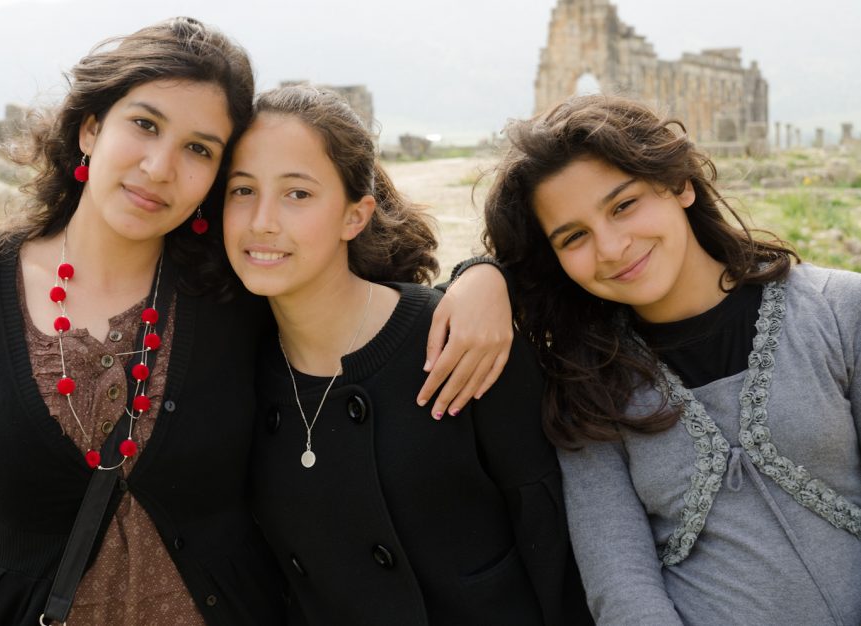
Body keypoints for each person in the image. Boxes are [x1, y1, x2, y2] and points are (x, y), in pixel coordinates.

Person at [0, 17, 511, 625]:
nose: (159, 167)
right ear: (91, 127)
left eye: (199, 149)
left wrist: (483, 275)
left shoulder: (232, 288)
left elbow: (357, 305)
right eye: (145, 124)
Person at [482, 94, 861, 625]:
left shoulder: (840, 310)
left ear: (680, 183)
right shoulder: (586, 385)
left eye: (623, 205)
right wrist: (479, 277)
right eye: (574, 237)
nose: (611, 247)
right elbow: (620, 582)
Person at [222, 84, 590, 626]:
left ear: (355, 216)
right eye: (242, 190)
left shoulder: (458, 339)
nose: (262, 221)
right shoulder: (235, 368)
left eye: (297, 193)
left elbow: (556, 545)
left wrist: (486, 273)